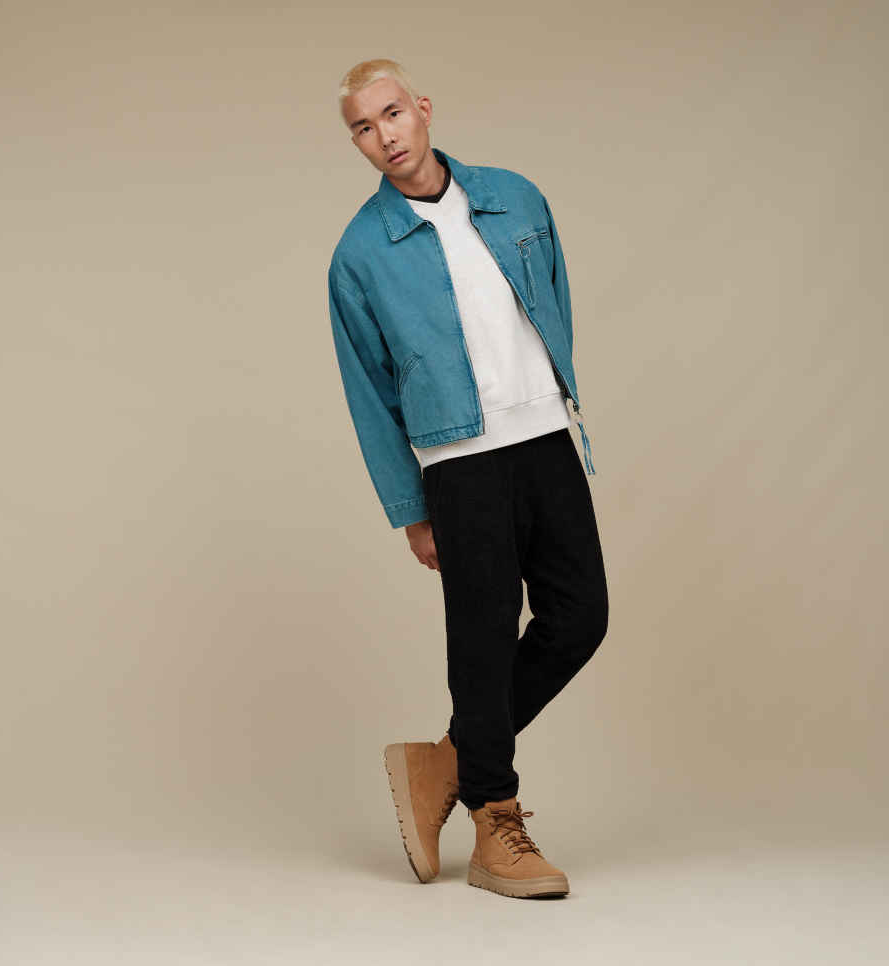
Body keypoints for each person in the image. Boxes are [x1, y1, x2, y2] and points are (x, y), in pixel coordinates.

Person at [328, 58, 608, 899]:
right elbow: (370, 392)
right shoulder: (359, 254)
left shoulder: (515, 197)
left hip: (545, 437)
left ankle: (447, 760)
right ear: (356, 142)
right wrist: (412, 508)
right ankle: (494, 822)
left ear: (422, 109)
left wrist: (551, 396)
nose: (384, 136)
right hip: (459, 462)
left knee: (579, 617)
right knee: (482, 641)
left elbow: (554, 300)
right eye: (363, 128)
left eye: (392, 114)